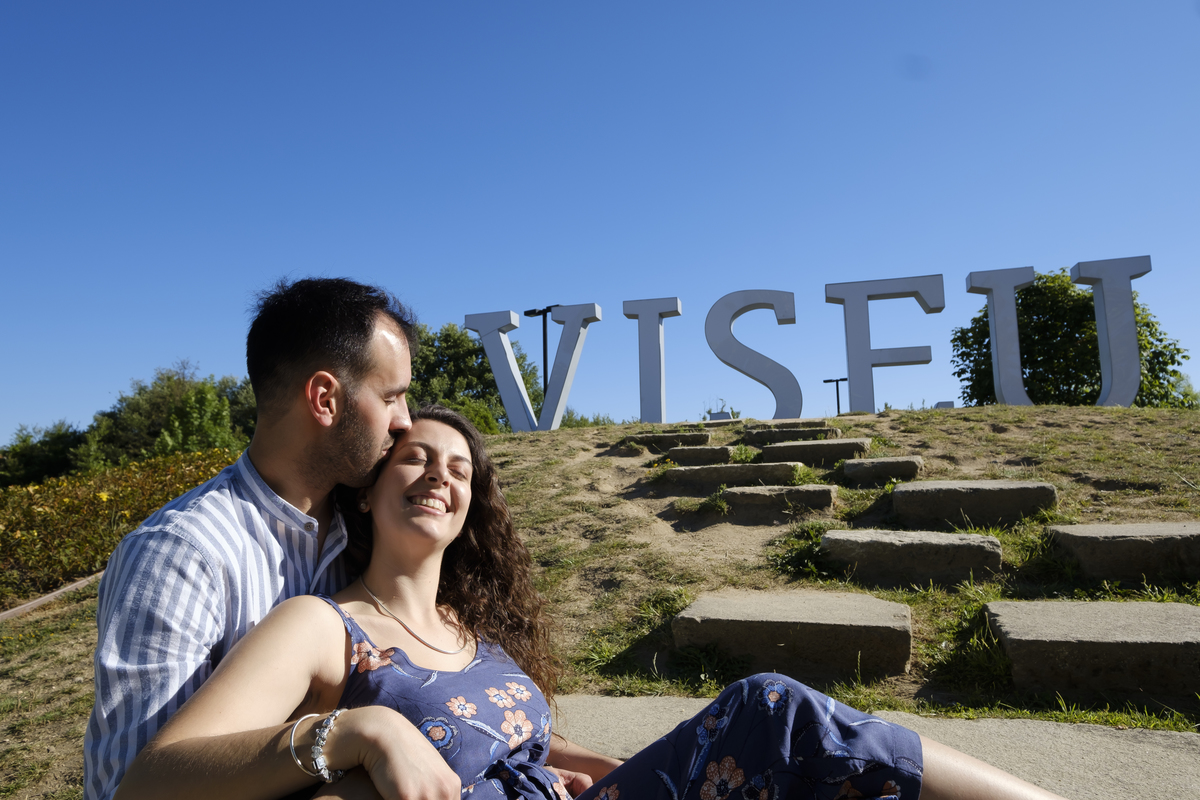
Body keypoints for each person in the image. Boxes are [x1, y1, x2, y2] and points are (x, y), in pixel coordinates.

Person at [114, 405, 1067, 800]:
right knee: (773, 707)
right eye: (414, 458)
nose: (440, 477)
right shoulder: (323, 625)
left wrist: (595, 762)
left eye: (461, 470)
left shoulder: (470, 635)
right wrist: (352, 733)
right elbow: (155, 778)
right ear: (367, 489)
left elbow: (513, 737)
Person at [85, 277, 418, 800]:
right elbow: (133, 787)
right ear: (325, 398)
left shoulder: (375, 523)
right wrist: (335, 740)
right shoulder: (179, 555)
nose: (406, 420)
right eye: (392, 396)